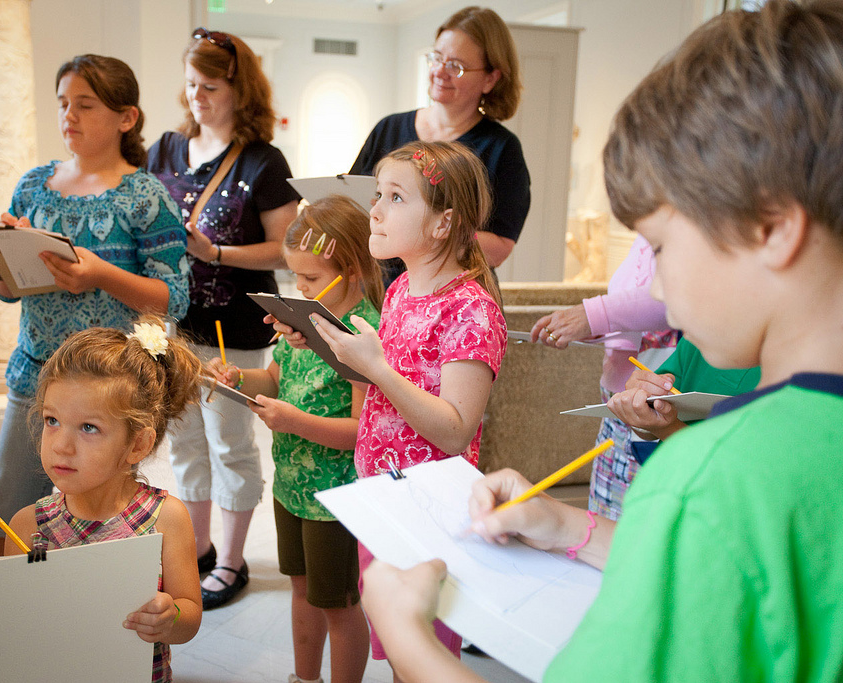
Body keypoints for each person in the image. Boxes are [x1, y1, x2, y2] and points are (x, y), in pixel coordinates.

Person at [361, 2, 843, 680]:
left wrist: (406, 632)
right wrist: (568, 525)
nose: (657, 283)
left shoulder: (708, 479)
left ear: (772, 228)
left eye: (661, 245)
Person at [298, 141, 505, 679]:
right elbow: (385, 388)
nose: (376, 210)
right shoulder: (399, 294)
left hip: (431, 511)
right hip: (383, 497)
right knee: (396, 644)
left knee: (426, 656)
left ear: (443, 223)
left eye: (395, 197)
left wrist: (380, 368)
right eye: (377, 195)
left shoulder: (471, 308)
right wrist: (332, 346)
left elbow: (456, 431)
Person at [0, 54, 189, 562]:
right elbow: (4, 290)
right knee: (4, 514)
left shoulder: (145, 196)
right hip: (35, 381)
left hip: (107, 394)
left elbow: (174, 296)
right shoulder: (34, 185)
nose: (69, 115)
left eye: (85, 105)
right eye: (63, 104)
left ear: (126, 118)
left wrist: (100, 275)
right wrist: (5, 260)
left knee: (100, 523)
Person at [145, 27, 300, 609]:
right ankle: (201, 548)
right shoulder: (164, 148)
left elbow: (286, 249)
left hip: (233, 324)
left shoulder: (264, 160)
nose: (197, 97)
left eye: (209, 86)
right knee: (183, 441)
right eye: (190, 85)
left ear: (240, 90)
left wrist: (214, 253)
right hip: (171, 322)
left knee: (230, 439)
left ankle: (232, 562)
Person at [212, 196, 382, 683]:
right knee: (302, 590)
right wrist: (237, 379)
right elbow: (275, 378)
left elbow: (362, 433)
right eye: (294, 278)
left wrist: (295, 422)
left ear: (349, 269)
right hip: (292, 485)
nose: (298, 289)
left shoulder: (363, 332)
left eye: (309, 279)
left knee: (339, 605)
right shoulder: (304, 320)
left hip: (335, 497)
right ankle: (304, 677)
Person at [3, 316, 203, 682]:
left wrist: (168, 616)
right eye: (52, 421)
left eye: (88, 428)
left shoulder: (166, 518)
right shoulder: (26, 527)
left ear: (138, 444)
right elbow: (12, 626)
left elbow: (189, 617)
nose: (61, 445)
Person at [349, 6, 530, 284]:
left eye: (456, 66)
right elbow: (355, 204)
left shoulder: (501, 148)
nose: (439, 72)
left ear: (490, 78)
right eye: (436, 58)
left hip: (453, 299)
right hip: (381, 290)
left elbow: (499, 248)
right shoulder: (389, 128)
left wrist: (424, 232)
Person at [530, 233, 677, 519]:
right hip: (619, 406)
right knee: (605, 520)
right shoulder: (645, 239)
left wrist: (594, 315)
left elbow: (674, 295)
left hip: (653, 410)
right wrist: (595, 326)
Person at [607, 337, 759, 463]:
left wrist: (666, 428)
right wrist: (642, 408)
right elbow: (649, 430)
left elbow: (737, 464)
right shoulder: (695, 337)